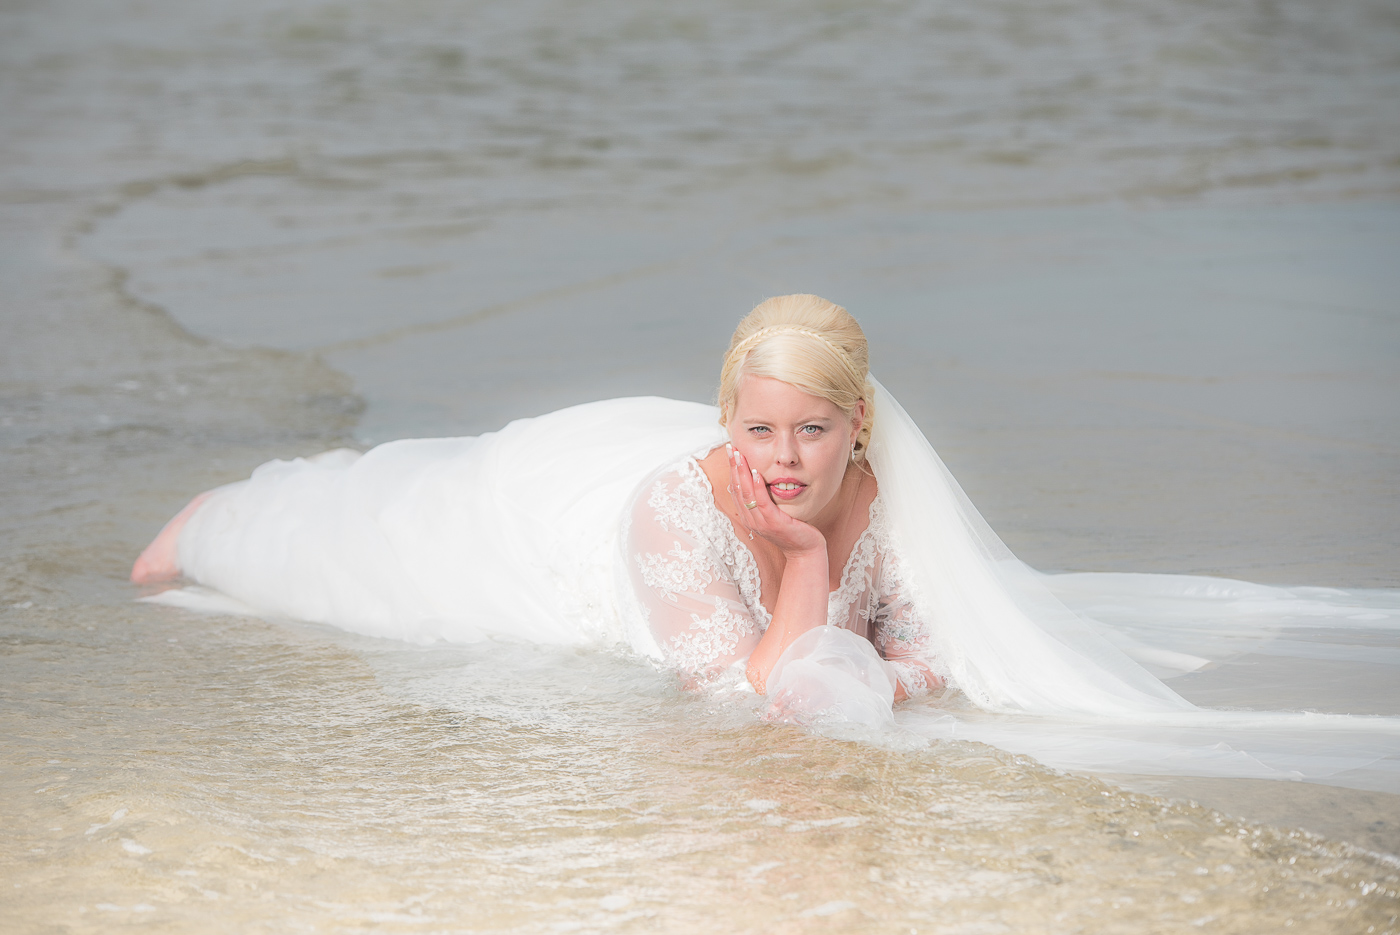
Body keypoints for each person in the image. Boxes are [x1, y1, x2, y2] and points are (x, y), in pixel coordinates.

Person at [133, 294, 1400, 783]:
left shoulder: (884, 494)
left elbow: (925, 641)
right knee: (358, 544)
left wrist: (878, 650)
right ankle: (213, 517)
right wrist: (800, 561)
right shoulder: (673, 509)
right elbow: (747, 693)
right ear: (727, 420)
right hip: (544, 526)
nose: (785, 459)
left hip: (668, 509)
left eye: (812, 430)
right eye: (759, 429)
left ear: (857, 425)